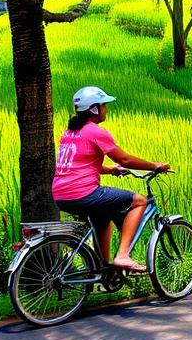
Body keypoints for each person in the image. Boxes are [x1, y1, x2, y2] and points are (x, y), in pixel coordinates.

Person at [52, 86, 171, 272]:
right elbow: (123, 159)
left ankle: (102, 267)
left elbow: (80, 164)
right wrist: (154, 165)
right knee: (139, 201)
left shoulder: (69, 133)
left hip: (60, 195)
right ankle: (123, 255)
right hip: (83, 193)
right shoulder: (95, 132)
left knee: (102, 218)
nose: (106, 109)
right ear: (94, 109)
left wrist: (110, 170)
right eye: (104, 106)